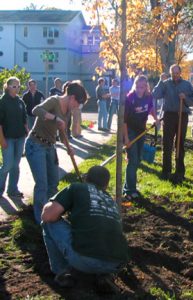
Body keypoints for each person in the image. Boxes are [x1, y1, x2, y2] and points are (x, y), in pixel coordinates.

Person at [41, 165, 128, 291]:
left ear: (86, 178)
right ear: (106, 185)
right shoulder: (110, 200)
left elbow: (48, 216)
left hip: (86, 260)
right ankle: (104, 274)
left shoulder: (76, 187)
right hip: (118, 263)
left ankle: (63, 272)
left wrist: (50, 204)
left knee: (48, 223)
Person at [25, 81, 87, 224]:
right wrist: (55, 117)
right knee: (42, 184)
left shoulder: (69, 110)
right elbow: (36, 110)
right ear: (72, 97)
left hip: (50, 146)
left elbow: (63, 131)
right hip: (35, 145)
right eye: (78, 102)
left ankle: (51, 213)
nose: (78, 106)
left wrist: (68, 147)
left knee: (53, 183)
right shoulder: (54, 101)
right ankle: (40, 220)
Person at [153, 64, 193, 184]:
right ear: (170, 73)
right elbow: (155, 95)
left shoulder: (187, 84)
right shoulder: (166, 83)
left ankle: (179, 172)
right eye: (173, 73)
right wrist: (160, 81)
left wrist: (185, 98)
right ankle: (166, 171)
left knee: (180, 143)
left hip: (182, 115)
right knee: (167, 143)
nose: (175, 75)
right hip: (169, 115)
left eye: (177, 73)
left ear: (180, 73)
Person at [123, 75, 158, 200]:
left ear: (146, 87)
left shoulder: (148, 96)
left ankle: (127, 187)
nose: (140, 89)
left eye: (142, 87)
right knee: (133, 160)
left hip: (141, 131)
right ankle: (129, 190)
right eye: (138, 87)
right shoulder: (129, 98)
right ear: (135, 86)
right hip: (130, 131)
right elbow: (124, 121)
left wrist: (156, 118)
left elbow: (151, 108)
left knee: (137, 160)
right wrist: (126, 138)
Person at [0, 77, 28, 198]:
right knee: (7, 164)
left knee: (16, 165)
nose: (17, 88)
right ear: (7, 86)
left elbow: (24, 119)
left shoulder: (20, 101)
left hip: (20, 137)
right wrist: (2, 140)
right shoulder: (2, 101)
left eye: (18, 86)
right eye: (14, 86)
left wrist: (27, 132)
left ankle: (12, 190)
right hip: (8, 138)